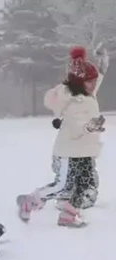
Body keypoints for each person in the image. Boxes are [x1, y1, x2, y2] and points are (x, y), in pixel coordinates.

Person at [17, 46, 108, 227]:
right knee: (63, 186)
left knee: (86, 185)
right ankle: (30, 200)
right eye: (90, 82)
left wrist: (103, 66)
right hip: (69, 151)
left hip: (86, 152)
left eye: (93, 81)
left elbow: (95, 80)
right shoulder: (72, 101)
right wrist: (91, 126)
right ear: (80, 82)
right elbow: (75, 129)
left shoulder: (87, 93)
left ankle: (69, 214)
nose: (93, 84)